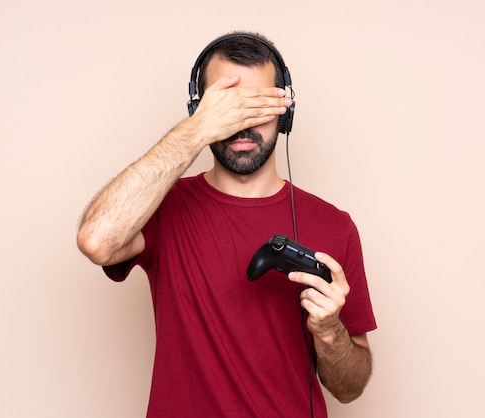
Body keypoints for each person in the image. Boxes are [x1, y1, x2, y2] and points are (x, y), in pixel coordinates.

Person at [77, 31, 376, 417]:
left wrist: (330, 330)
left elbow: (350, 389)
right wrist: (199, 130)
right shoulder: (161, 207)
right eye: (228, 107)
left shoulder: (334, 225)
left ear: (285, 111)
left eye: (256, 105)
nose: (241, 123)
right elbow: (96, 240)